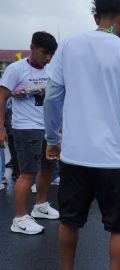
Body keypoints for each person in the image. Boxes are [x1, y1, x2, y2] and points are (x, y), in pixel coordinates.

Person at [43, 1, 120, 268]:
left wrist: (52, 140)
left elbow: (52, 98)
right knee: (119, 227)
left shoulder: (69, 45)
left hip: (74, 156)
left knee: (69, 220)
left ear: (97, 17)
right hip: (114, 160)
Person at [0, 31, 59, 235]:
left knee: (48, 168)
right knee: (28, 173)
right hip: (26, 127)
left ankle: (40, 206)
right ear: (32, 48)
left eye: (52, 53)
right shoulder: (15, 69)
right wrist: (0, 128)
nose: (48, 57)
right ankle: (19, 218)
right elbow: (2, 97)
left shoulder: (51, 68)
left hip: (48, 127)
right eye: (45, 53)